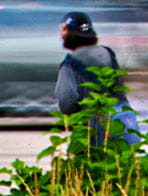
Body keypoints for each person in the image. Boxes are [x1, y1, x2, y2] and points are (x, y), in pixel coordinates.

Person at [49, 12, 131, 149]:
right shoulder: (108, 54)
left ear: (71, 33)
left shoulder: (70, 63)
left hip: (89, 132)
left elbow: (66, 102)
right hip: (119, 126)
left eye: (63, 29)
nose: (60, 34)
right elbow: (119, 88)